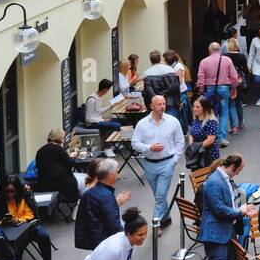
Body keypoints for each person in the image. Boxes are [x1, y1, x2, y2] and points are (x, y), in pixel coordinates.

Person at [199, 154, 255, 260]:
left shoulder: (225, 179)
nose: (237, 174)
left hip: (228, 233)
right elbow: (219, 209)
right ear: (231, 166)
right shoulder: (214, 182)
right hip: (216, 236)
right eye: (237, 170)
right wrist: (240, 211)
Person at [131, 94, 185, 227]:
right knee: (158, 195)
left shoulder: (173, 122)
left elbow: (180, 142)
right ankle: (166, 216)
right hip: (149, 164)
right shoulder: (142, 124)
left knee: (160, 195)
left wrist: (174, 161)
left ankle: (156, 223)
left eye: (164, 104)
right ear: (151, 106)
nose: (162, 107)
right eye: (159, 104)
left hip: (167, 163)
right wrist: (149, 148)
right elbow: (134, 143)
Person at [0, 176, 55, 260]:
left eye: (12, 192)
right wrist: (6, 220)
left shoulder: (26, 195)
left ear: (17, 190)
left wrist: (19, 220)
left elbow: (31, 214)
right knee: (15, 245)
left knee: (44, 236)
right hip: (12, 230)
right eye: (7, 192)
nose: (10, 195)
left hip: (29, 225)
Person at [74, 158, 128, 250]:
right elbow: (114, 226)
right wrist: (126, 241)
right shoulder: (106, 196)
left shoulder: (91, 192)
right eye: (116, 172)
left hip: (96, 239)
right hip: (105, 242)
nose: (118, 175)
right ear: (111, 175)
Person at [196, 41, 241, 145]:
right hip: (224, 88)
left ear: (209, 50)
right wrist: (234, 88)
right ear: (219, 50)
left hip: (209, 89)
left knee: (210, 113)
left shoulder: (204, 62)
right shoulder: (227, 60)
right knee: (224, 113)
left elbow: (201, 78)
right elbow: (234, 76)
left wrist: (201, 91)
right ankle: (221, 138)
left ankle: (211, 136)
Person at [36, 128, 81, 207]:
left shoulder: (40, 150)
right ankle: (76, 205)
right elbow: (70, 163)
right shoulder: (59, 149)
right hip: (62, 185)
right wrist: (74, 156)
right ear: (61, 139)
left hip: (44, 184)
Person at [140, 50, 181, 121]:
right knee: (170, 122)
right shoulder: (170, 69)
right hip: (169, 101)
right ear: (160, 59)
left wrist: (156, 96)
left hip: (155, 103)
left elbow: (148, 89)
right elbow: (175, 85)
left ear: (150, 60)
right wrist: (164, 93)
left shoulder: (147, 73)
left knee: (156, 122)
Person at [186, 95, 220, 170]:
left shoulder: (211, 121)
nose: (194, 109)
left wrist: (195, 148)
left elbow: (211, 140)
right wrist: (191, 145)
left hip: (209, 155)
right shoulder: (196, 118)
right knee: (197, 178)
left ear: (205, 108)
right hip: (197, 154)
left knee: (208, 177)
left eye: (198, 107)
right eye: (194, 106)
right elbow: (191, 133)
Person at [224, 38, 249, 135]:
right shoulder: (242, 56)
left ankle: (233, 126)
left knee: (231, 104)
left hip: (228, 81)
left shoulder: (224, 56)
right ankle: (241, 122)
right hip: (238, 82)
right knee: (239, 103)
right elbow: (245, 70)